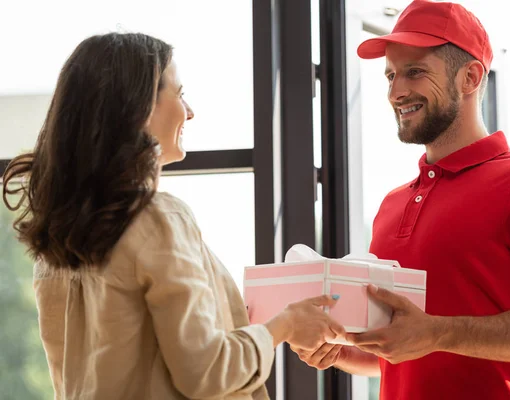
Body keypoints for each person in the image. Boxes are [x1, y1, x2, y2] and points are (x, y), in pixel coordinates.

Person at [1, 32, 345, 400]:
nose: (190, 111)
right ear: (139, 107)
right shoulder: (157, 219)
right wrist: (287, 324)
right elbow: (207, 372)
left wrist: (240, 323)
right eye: (179, 94)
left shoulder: (58, 241)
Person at [291, 1, 510, 399]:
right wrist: (337, 350)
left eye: (415, 72)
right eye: (391, 75)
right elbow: (403, 347)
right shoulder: (391, 205)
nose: (397, 92)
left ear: (469, 77)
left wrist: (438, 332)